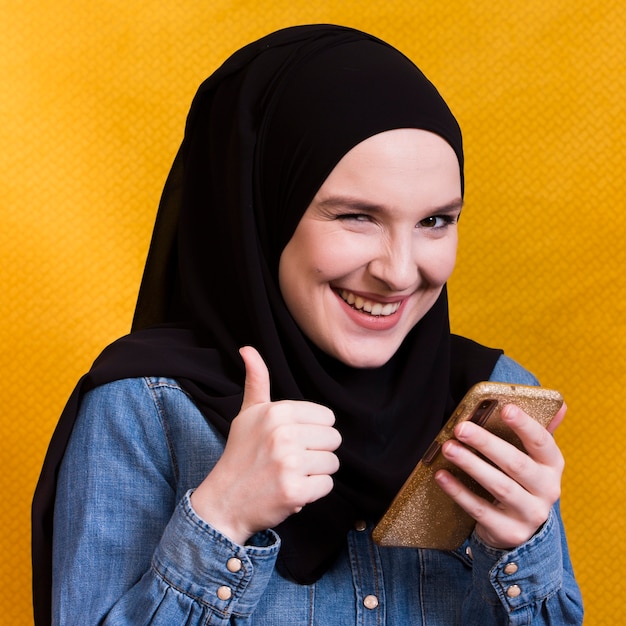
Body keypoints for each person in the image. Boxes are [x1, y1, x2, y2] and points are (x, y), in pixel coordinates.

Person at [32, 24, 584, 625]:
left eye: (435, 221)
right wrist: (223, 521)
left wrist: (520, 552)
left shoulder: (491, 402)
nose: (399, 273)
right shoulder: (147, 410)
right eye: (355, 216)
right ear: (262, 216)